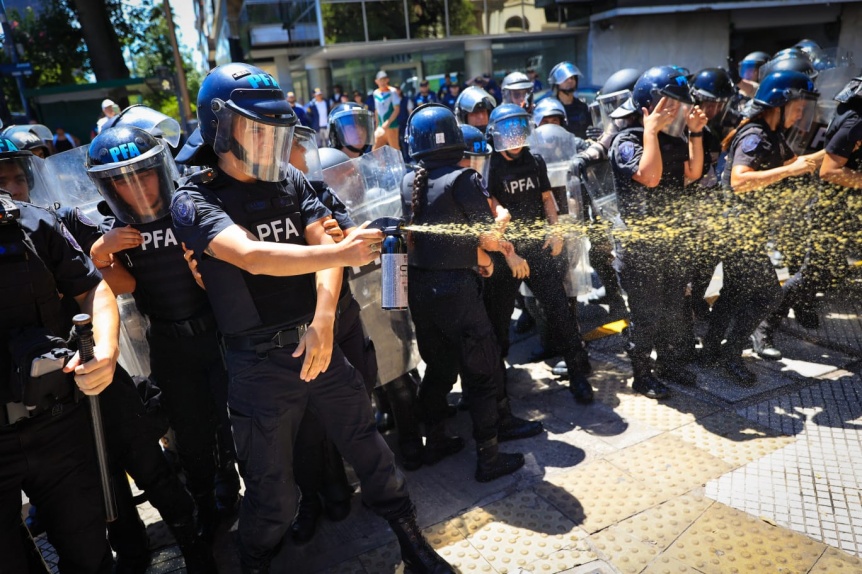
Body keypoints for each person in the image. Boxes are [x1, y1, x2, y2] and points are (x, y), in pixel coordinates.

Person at [170, 62, 452, 573]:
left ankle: (413, 542)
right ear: (218, 129)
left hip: (317, 342)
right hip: (257, 363)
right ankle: (255, 561)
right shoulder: (194, 197)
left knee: (370, 451)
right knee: (271, 492)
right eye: (251, 129)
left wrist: (323, 323)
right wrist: (341, 257)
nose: (264, 142)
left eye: (271, 130)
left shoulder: (291, 178)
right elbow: (252, 255)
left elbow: (323, 243)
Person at [85, 124, 240, 546]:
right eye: (121, 181)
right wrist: (102, 252)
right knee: (190, 432)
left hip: (219, 333)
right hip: (170, 344)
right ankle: (206, 505)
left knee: (235, 423)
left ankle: (236, 491)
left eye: (143, 174)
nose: (136, 187)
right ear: (108, 186)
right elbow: (124, 286)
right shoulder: (111, 223)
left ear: (160, 169)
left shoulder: (190, 203)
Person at [401, 103, 528, 481]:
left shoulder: (411, 181)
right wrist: (503, 221)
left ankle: (435, 438)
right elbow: (487, 240)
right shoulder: (464, 179)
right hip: (457, 290)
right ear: (455, 141)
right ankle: (488, 458)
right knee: (481, 369)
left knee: (438, 369)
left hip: (422, 290)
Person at [0, 189, 120, 572]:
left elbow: (93, 288)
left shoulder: (31, 222)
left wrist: (106, 348)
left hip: (55, 420)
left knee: (88, 554)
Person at [483, 103, 594, 403]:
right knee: (499, 322)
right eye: (507, 131)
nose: (514, 137)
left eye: (518, 129)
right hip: (506, 255)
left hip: (538, 249)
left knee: (560, 311)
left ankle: (578, 374)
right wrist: (509, 253)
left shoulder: (534, 160)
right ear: (495, 135)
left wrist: (555, 230)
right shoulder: (490, 165)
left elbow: (547, 199)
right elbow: (493, 210)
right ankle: (496, 392)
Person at [607, 66, 708, 398]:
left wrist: (694, 133)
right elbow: (648, 177)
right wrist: (649, 133)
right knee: (646, 315)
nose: (674, 112)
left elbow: (692, 172)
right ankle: (642, 374)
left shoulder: (673, 139)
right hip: (639, 250)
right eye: (669, 104)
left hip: (671, 244)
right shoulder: (627, 140)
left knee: (673, 309)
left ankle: (668, 364)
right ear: (649, 105)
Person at [722, 71, 824, 363]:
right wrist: (789, 171)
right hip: (737, 229)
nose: (801, 113)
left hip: (748, 229)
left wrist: (836, 148)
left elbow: (800, 163)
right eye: (798, 107)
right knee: (767, 293)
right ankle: (731, 355)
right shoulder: (755, 135)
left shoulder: (773, 134)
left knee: (732, 295)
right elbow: (740, 180)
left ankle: (717, 352)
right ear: (778, 105)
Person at [547, 62, 591, 138]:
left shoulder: (583, 107)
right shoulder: (550, 108)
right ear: (556, 83)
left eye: (572, 78)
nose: (570, 81)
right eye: (565, 79)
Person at [372, 70, 402, 150]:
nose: (383, 82)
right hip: (380, 127)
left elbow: (396, 109)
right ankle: (380, 163)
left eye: (384, 79)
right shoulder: (375, 93)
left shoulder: (392, 91)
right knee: (375, 149)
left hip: (391, 126)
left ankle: (398, 163)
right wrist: (377, 126)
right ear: (376, 81)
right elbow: (377, 110)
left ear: (387, 80)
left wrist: (388, 122)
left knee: (394, 149)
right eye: (381, 80)